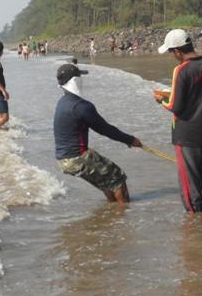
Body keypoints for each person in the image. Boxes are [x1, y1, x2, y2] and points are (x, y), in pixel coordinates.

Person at [154, 29, 202, 213]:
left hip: (185, 134)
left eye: (171, 52)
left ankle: (195, 223)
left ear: (178, 50)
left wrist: (161, 99)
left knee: (190, 181)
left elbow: (175, 107)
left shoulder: (181, 70)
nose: (172, 56)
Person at [53, 63, 142, 204]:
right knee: (117, 178)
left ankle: (112, 214)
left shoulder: (62, 102)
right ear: (75, 80)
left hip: (63, 159)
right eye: (80, 76)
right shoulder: (82, 106)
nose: (82, 79)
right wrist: (130, 140)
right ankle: (124, 217)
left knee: (105, 180)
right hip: (77, 158)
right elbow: (105, 129)